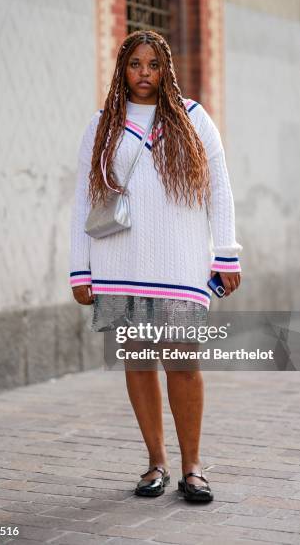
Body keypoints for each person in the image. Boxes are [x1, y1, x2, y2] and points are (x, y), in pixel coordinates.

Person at [70, 30, 242, 503]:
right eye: (134, 64)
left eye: (152, 64)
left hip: (181, 262)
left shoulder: (194, 119)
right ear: (122, 69)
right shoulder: (102, 123)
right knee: (139, 361)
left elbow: (219, 189)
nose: (143, 74)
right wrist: (79, 268)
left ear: (166, 69)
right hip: (119, 260)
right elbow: (83, 199)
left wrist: (225, 251)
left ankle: (193, 466)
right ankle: (155, 463)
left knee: (183, 363)